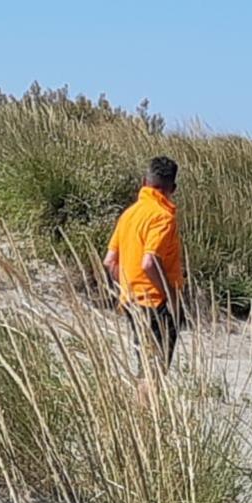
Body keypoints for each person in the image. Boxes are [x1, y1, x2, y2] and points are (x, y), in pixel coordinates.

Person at [104, 156, 184, 400]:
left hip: (130, 300)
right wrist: (169, 297)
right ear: (172, 188)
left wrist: (127, 288)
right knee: (154, 372)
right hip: (156, 303)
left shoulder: (129, 214)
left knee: (145, 367)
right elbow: (149, 262)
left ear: (144, 182)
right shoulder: (163, 217)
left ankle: (142, 415)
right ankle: (147, 417)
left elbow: (110, 261)